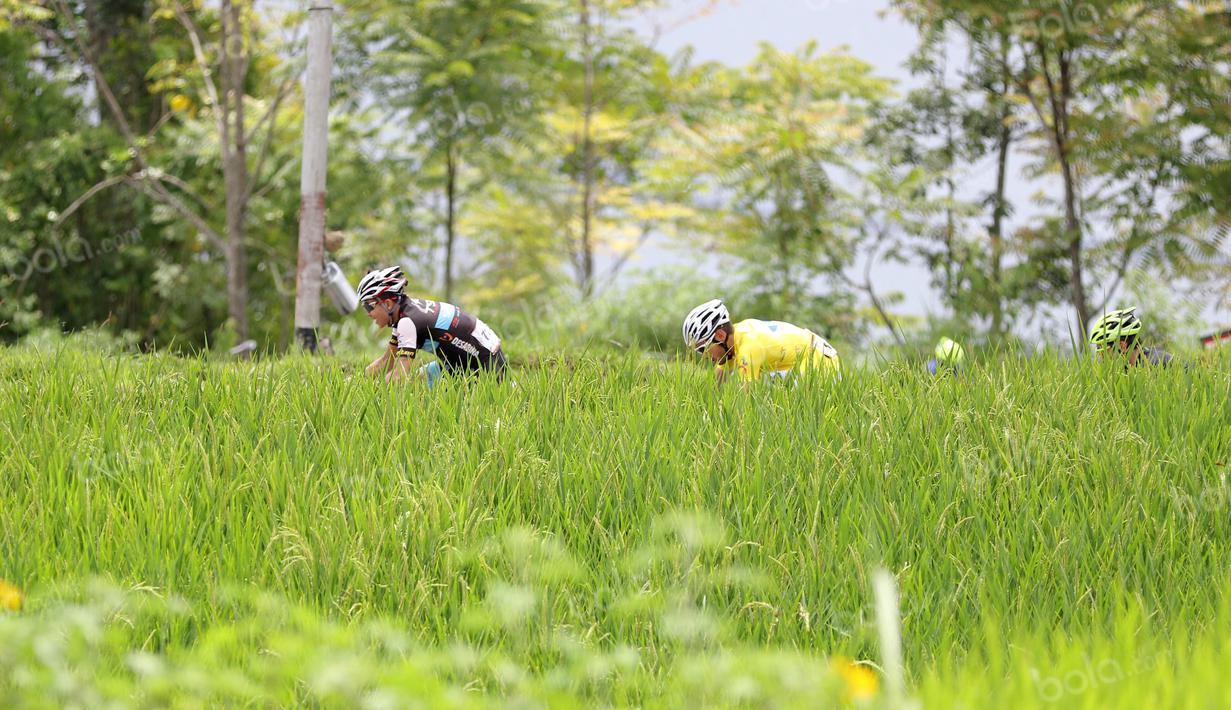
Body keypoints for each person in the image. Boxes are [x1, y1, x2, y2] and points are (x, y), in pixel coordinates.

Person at [357, 266, 507, 384]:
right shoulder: (405, 312)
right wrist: (357, 382)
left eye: (369, 307)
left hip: (485, 368)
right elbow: (387, 361)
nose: (368, 313)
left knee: (415, 389)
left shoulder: (407, 321)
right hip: (477, 359)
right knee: (418, 381)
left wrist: (373, 394)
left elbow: (400, 375)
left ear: (388, 304)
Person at [682, 299, 840, 384]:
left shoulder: (749, 347)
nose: (703, 356)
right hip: (800, 357)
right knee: (770, 392)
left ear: (720, 336)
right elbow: (716, 385)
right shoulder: (732, 344)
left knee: (794, 414)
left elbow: (745, 402)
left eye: (702, 349)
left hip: (818, 360)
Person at [1088, 306, 1174, 367]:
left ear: (1122, 345)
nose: (1101, 357)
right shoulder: (1125, 371)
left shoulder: (1159, 363)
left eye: (1103, 351)